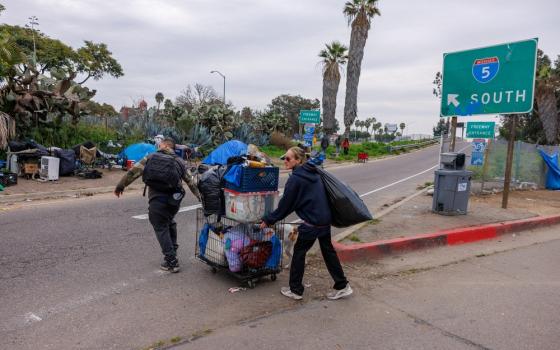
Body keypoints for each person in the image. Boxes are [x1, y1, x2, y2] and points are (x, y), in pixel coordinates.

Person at [260, 146, 352, 300]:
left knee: (299, 253)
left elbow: (285, 205)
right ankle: (343, 285)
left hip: (312, 223)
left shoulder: (296, 179)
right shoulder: (314, 173)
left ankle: (295, 290)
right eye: (284, 158)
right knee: (328, 252)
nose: (285, 161)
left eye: (289, 159)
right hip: (324, 219)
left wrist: (268, 220)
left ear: (298, 160)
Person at [114, 138, 200, 273]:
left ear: (165, 145)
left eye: (160, 144)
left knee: (160, 227)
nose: (158, 146)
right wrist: (200, 197)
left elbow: (133, 172)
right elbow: (191, 182)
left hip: (157, 200)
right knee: (169, 222)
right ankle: (173, 250)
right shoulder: (179, 161)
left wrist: (120, 186)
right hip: (174, 201)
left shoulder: (150, 157)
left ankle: (171, 261)